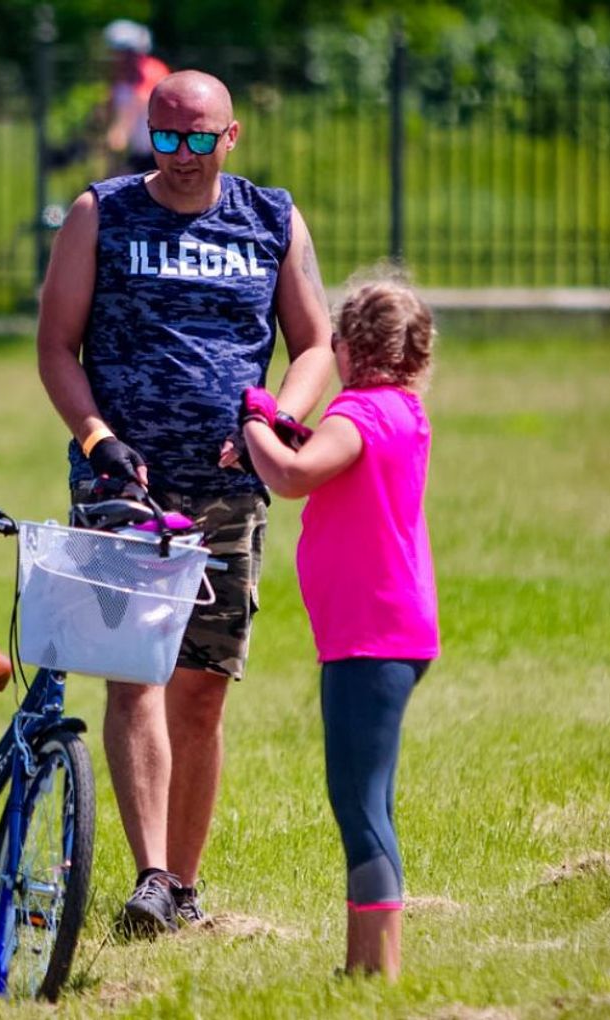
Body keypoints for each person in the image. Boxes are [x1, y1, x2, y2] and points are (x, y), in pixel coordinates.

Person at [36, 69, 334, 936]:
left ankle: (184, 888)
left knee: (202, 691)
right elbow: (56, 346)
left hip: (229, 488)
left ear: (230, 136)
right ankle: (150, 878)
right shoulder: (102, 213)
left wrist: (272, 420)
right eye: (165, 138)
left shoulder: (270, 218)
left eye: (200, 139)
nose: (181, 156)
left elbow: (315, 345)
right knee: (134, 677)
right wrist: (98, 438)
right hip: (124, 485)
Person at [240, 269, 440, 978]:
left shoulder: (357, 415)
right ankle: (365, 965)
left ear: (348, 349)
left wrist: (256, 420)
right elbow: (331, 461)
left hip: (368, 636)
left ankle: (375, 971)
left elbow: (292, 477)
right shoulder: (402, 411)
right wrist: (292, 434)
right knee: (369, 797)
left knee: (358, 805)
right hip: (394, 629)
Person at [101, 19, 170, 177]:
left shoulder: (152, 70)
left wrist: (119, 132)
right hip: (137, 153)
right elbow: (112, 102)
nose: (117, 59)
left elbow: (137, 102)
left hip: (159, 154)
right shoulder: (122, 75)